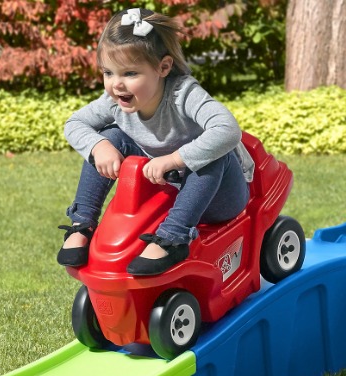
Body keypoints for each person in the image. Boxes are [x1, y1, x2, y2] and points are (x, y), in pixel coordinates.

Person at [57, 8, 254, 276]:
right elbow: (74, 124)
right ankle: (82, 223)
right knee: (110, 137)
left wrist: (174, 159)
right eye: (108, 73)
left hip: (219, 195)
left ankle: (174, 238)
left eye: (129, 74)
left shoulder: (182, 95)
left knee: (213, 155)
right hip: (166, 187)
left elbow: (228, 130)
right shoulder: (115, 102)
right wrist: (98, 146)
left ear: (163, 67)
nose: (116, 85)